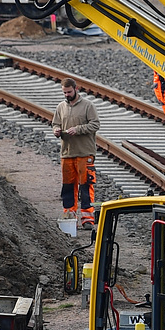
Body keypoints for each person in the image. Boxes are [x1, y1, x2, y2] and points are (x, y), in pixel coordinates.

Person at [54, 77, 101, 227]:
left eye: (69, 92)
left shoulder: (88, 106)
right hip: (67, 153)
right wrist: (56, 130)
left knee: (86, 185)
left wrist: (78, 129)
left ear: (76, 89)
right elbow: (55, 123)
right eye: (64, 92)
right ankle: (69, 215)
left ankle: (88, 219)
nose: (66, 95)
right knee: (68, 186)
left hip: (84, 153)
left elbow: (95, 124)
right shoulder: (61, 107)